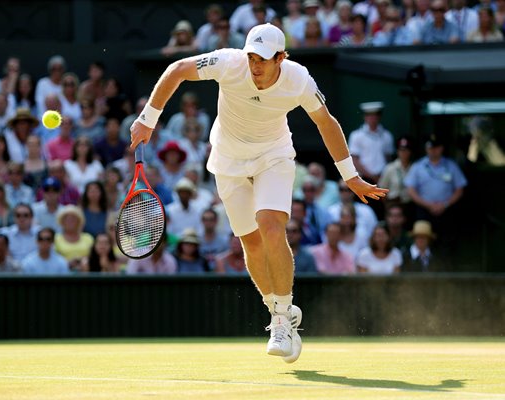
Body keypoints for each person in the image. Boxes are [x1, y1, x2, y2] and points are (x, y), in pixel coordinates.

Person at [129, 22, 386, 364]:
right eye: (252, 56)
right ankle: (279, 308)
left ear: (282, 57)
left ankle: (280, 320)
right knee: (250, 243)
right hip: (227, 159)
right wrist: (148, 118)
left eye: (264, 58)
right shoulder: (227, 62)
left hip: (274, 156)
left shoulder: (299, 79)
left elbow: (327, 122)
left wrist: (350, 176)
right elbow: (177, 69)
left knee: (271, 227)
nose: (255, 65)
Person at [348, 101, 394, 184]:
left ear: (379, 116)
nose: (372, 118)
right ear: (365, 117)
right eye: (369, 115)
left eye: (375, 115)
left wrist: (382, 176)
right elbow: (354, 160)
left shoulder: (387, 136)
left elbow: (388, 158)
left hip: (383, 178)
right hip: (363, 179)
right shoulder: (356, 135)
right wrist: (371, 176)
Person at [54, 205, 94, 271]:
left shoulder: (88, 238)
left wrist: (83, 260)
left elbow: (94, 257)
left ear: (78, 222)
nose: (70, 222)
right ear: (62, 222)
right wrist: (67, 263)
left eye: (73, 219)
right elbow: (53, 259)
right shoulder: (56, 238)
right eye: (67, 219)